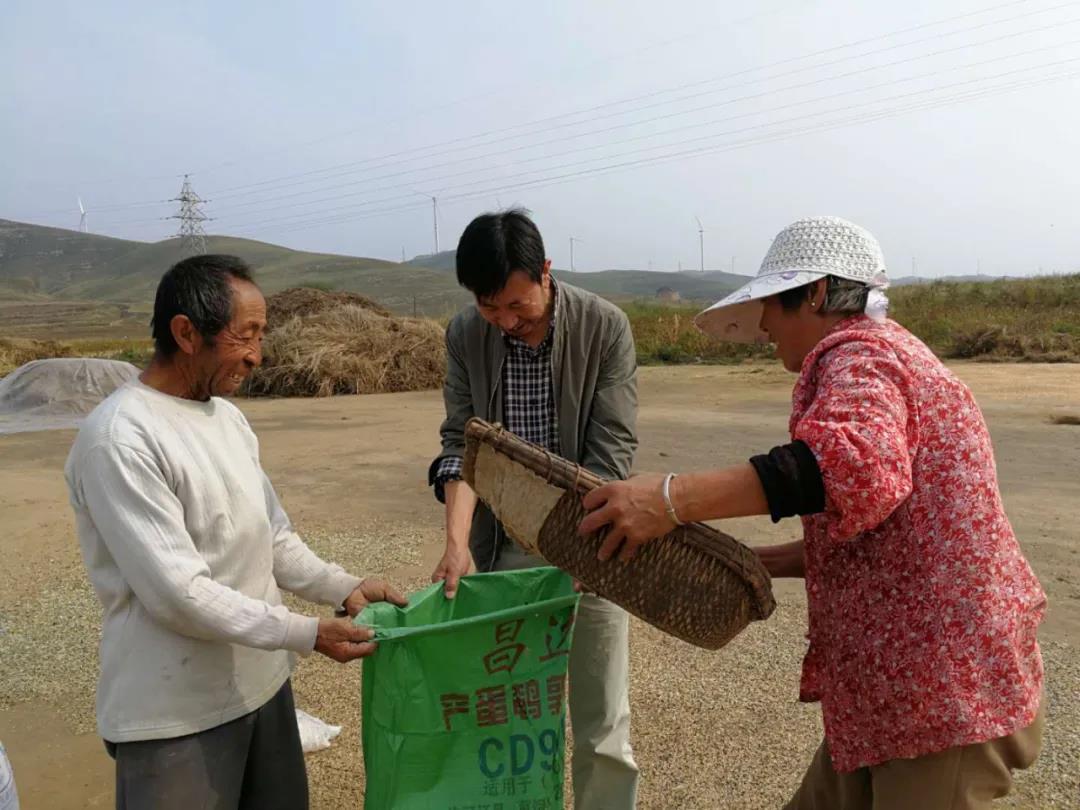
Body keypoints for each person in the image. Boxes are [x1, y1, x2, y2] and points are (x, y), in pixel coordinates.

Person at [579, 217, 1046, 810]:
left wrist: (668, 499)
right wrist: (747, 561)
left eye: (773, 302)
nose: (766, 323)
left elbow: (852, 466)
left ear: (817, 294)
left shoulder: (860, 355)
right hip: (898, 690)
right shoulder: (889, 354)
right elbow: (879, 524)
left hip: (942, 698)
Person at [65, 255, 407, 810]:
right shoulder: (120, 438)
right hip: (175, 718)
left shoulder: (226, 419)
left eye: (260, 335)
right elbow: (180, 595)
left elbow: (272, 536)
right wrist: (306, 632)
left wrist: (343, 586)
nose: (256, 355)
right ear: (186, 333)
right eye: (245, 335)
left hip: (262, 689)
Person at [429, 209, 640, 808]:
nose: (505, 322)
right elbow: (461, 445)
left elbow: (611, 453)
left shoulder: (605, 328)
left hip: (593, 542)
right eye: (490, 309)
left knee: (602, 725)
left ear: (546, 272)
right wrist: (456, 545)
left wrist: (582, 555)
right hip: (502, 548)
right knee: (503, 718)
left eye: (517, 307)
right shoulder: (467, 333)